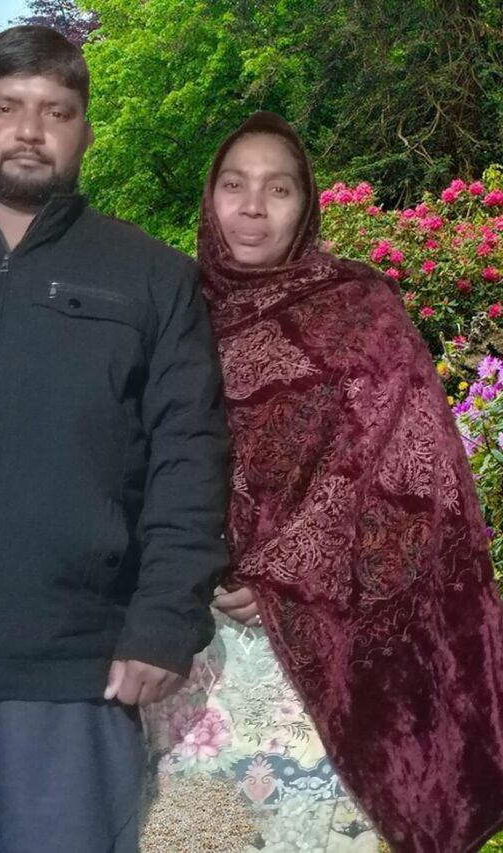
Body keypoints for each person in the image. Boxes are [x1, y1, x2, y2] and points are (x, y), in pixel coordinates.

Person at [0, 26, 229, 853]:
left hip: (68, 678)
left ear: (85, 133)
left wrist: (165, 619)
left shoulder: (154, 279)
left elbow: (189, 458)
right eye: (8, 107)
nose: (30, 130)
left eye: (56, 112)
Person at [142, 113, 503, 853]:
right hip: (194, 638)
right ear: (210, 197)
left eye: (278, 189)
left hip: (330, 646)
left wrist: (282, 569)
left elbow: (405, 460)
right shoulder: (174, 310)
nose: (252, 207)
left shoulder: (357, 305)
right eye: (234, 185)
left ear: (306, 204)